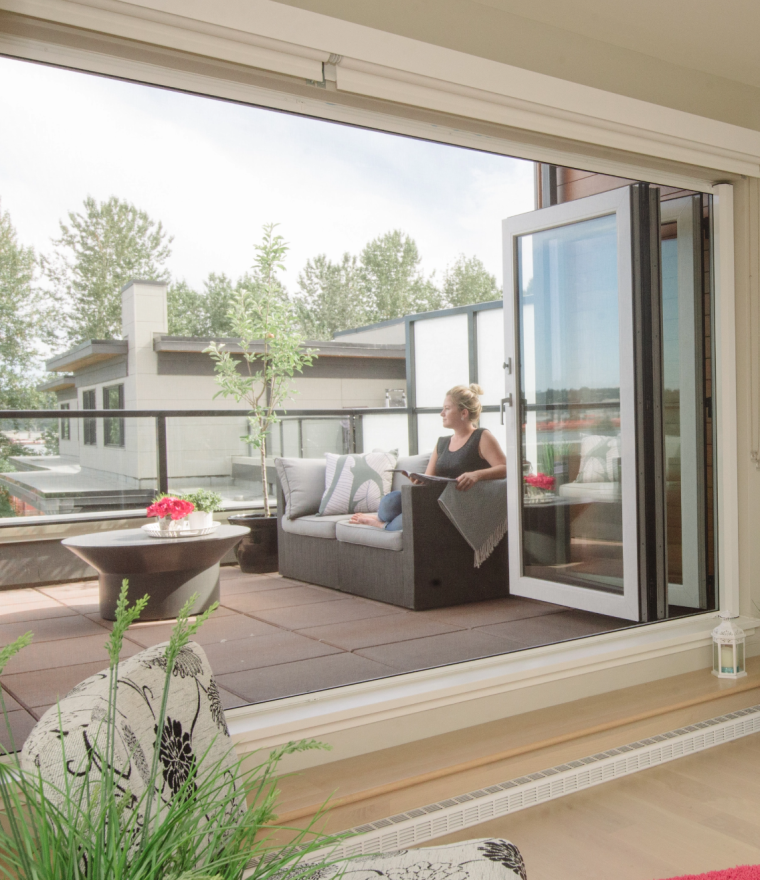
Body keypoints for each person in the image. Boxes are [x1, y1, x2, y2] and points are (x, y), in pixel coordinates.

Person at [350, 383, 507, 532]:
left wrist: (476, 475)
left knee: (406, 522)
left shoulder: (481, 436)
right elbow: (429, 478)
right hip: (433, 498)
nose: (441, 413)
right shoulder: (442, 442)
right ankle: (383, 519)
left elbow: (506, 468)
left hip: (455, 504)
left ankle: (380, 524)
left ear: (463, 413)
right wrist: (419, 480)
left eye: (446, 409)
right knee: (390, 502)